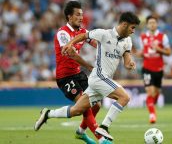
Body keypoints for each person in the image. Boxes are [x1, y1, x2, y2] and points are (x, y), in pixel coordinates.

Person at [34, 11, 140, 142]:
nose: (133, 31)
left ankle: (48, 114)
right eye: (132, 27)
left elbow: (126, 57)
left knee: (77, 110)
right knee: (124, 97)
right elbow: (84, 35)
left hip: (104, 79)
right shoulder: (104, 34)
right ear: (124, 24)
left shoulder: (127, 41)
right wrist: (70, 43)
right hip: (99, 77)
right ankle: (104, 127)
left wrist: (129, 63)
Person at [34, 1, 110, 144]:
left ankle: (80, 132)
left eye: (82, 14)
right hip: (65, 77)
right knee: (84, 105)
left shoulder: (82, 31)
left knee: (97, 104)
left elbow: (96, 43)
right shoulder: (63, 33)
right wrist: (90, 67)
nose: (81, 17)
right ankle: (101, 139)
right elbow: (71, 54)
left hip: (78, 73)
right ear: (69, 17)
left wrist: (109, 47)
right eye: (77, 15)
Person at [137, 15, 171, 123]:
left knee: (156, 93)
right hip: (147, 68)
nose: (152, 24)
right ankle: (152, 115)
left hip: (159, 69)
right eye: (150, 23)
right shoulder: (142, 37)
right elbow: (141, 52)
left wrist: (158, 49)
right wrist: (140, 54)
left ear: (157, 24)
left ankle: (152, 105)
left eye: (154, 22)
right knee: (150, 91)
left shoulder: (163, 37)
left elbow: (169, 52)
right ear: (147, 25)